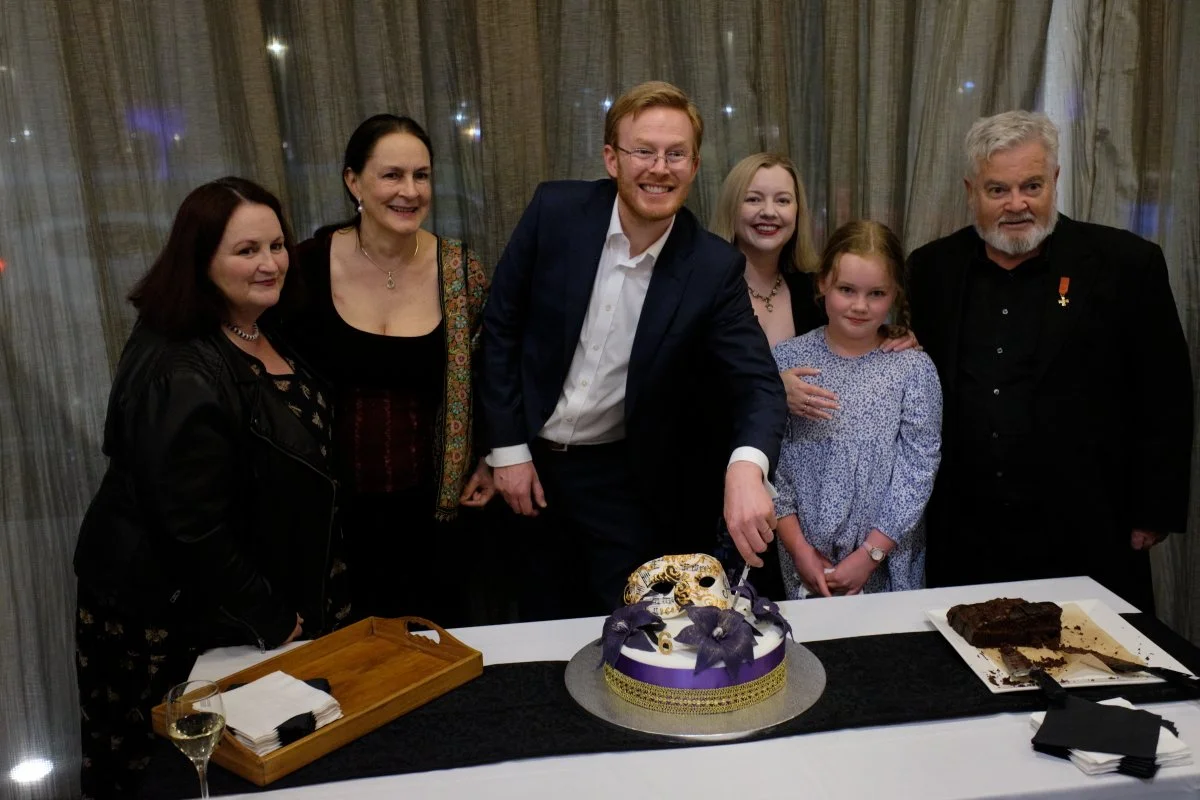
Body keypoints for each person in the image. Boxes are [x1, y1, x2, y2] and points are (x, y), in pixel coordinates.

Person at [73, 177, 349, 799]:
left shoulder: (254, 326)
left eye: (277, 245)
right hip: (168, 617)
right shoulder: (182, 367)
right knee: (175, 775)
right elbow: (189, 527)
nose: (270, 263)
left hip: (229, 602)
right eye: (246, 250)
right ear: (201, 260)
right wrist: (273, 617)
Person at [480, 81, 787, 619]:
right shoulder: (555, 211)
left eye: (676, 154)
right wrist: (506, 450)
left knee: (626, 631)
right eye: (643, 151)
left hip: (622, 480)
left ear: (694, 166)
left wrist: (746, 467)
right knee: (518, 626)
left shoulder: (711, 267)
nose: (659, 168)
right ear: (611, 159)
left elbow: (758, 383)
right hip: (521, 460)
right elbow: (501, 326)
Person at [908, 110, 1193, 611]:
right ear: (971, 189)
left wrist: (1154, 508)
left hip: (1087, 525)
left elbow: (1164, 392)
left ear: (1055, 181)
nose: (1017, 204)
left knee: (1096, 673)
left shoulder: (1127, 265)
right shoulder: (931, 269)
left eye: (1032, 186)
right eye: (998, 190)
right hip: (967, 531)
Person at [279, 114, 492, 625]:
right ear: (353, 180)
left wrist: (488, 455)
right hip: (332, 522)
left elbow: (491, 375)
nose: (410, 191)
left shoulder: (463, 272)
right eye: (391, 175)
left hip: (434, 516)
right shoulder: (303, 268)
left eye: (421, 175)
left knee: (435, 658)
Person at [708, 153, 920, 595]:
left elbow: (851, 342)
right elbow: (679, 383)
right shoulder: (702, 286)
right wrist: (770, 388)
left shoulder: (811, 290)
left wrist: (894, 334)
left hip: (795, 507)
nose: (769, 212)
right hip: (720, 482)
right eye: (754, 199)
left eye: (783, 200)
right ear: (731, 206)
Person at [773, 220, 942, 598]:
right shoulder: (787, 361)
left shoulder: (912, 368)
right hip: (806, 558)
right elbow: (773, 465)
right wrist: (800, 550)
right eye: (846, 290)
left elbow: (919, 466)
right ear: (822, 284)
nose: (860, 306)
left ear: (895, 294)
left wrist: (870, 554)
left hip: (887, 556)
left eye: (876, 293)